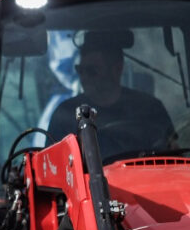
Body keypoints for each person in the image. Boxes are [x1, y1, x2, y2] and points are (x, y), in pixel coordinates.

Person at [47, 31, 176, 161]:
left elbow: (174, 157)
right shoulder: (65, 115)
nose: (84, 77)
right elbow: (52, 167)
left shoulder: (150, 110)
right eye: (80, 70)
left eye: (92, 71)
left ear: (117, 69)